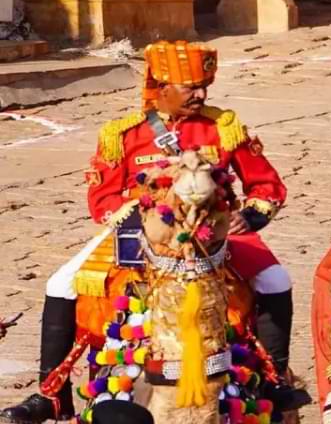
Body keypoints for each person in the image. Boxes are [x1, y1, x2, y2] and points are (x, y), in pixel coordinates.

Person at [2, 41, 299, 424]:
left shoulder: (223, 128)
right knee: (60, 283)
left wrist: (253, 218)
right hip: (138, 233)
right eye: (191, 87)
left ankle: (274, 380)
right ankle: (52, 394)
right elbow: (102, 197)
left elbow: (266, 187)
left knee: (276, 279)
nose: (201, 94)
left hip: (214, 231)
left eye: (203, 85)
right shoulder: (123, 134)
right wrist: (136, 217)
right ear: (161, 87)